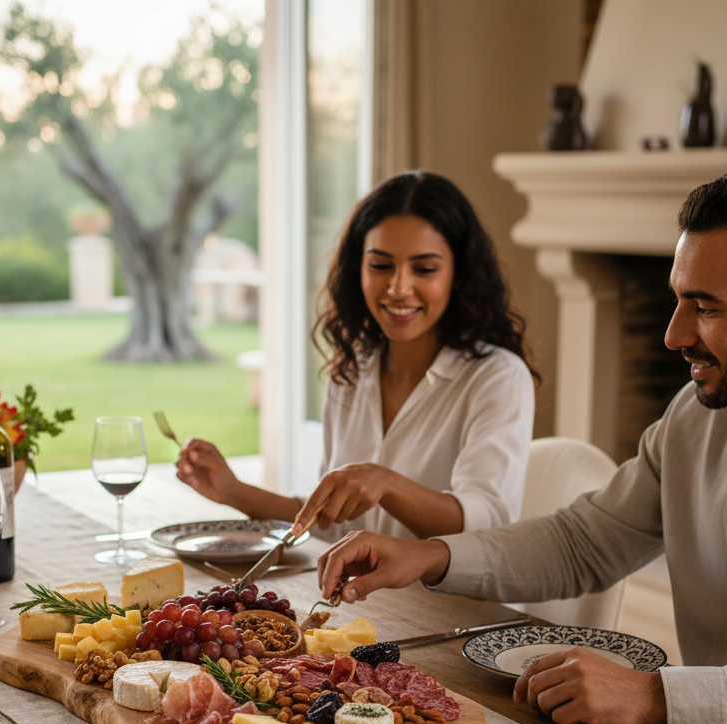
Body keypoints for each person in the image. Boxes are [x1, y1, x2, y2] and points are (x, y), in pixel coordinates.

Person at [314, 162, 727, 724]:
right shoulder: (692, 418)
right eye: (678, 301)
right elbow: (583, 544)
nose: (673, 335)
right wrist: (430, 556)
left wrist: (657, 696)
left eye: (705, 307)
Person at [177, 171, 536, 541]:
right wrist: (234, 492)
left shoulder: (497, 377)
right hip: (348, 582)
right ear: (358, 269)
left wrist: (386, 483)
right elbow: (333, 525)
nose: (398, 288)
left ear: (459, 275)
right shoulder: (351, 371)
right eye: (380, 266)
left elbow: (487, 525)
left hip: (447, 585)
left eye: (424, 269)